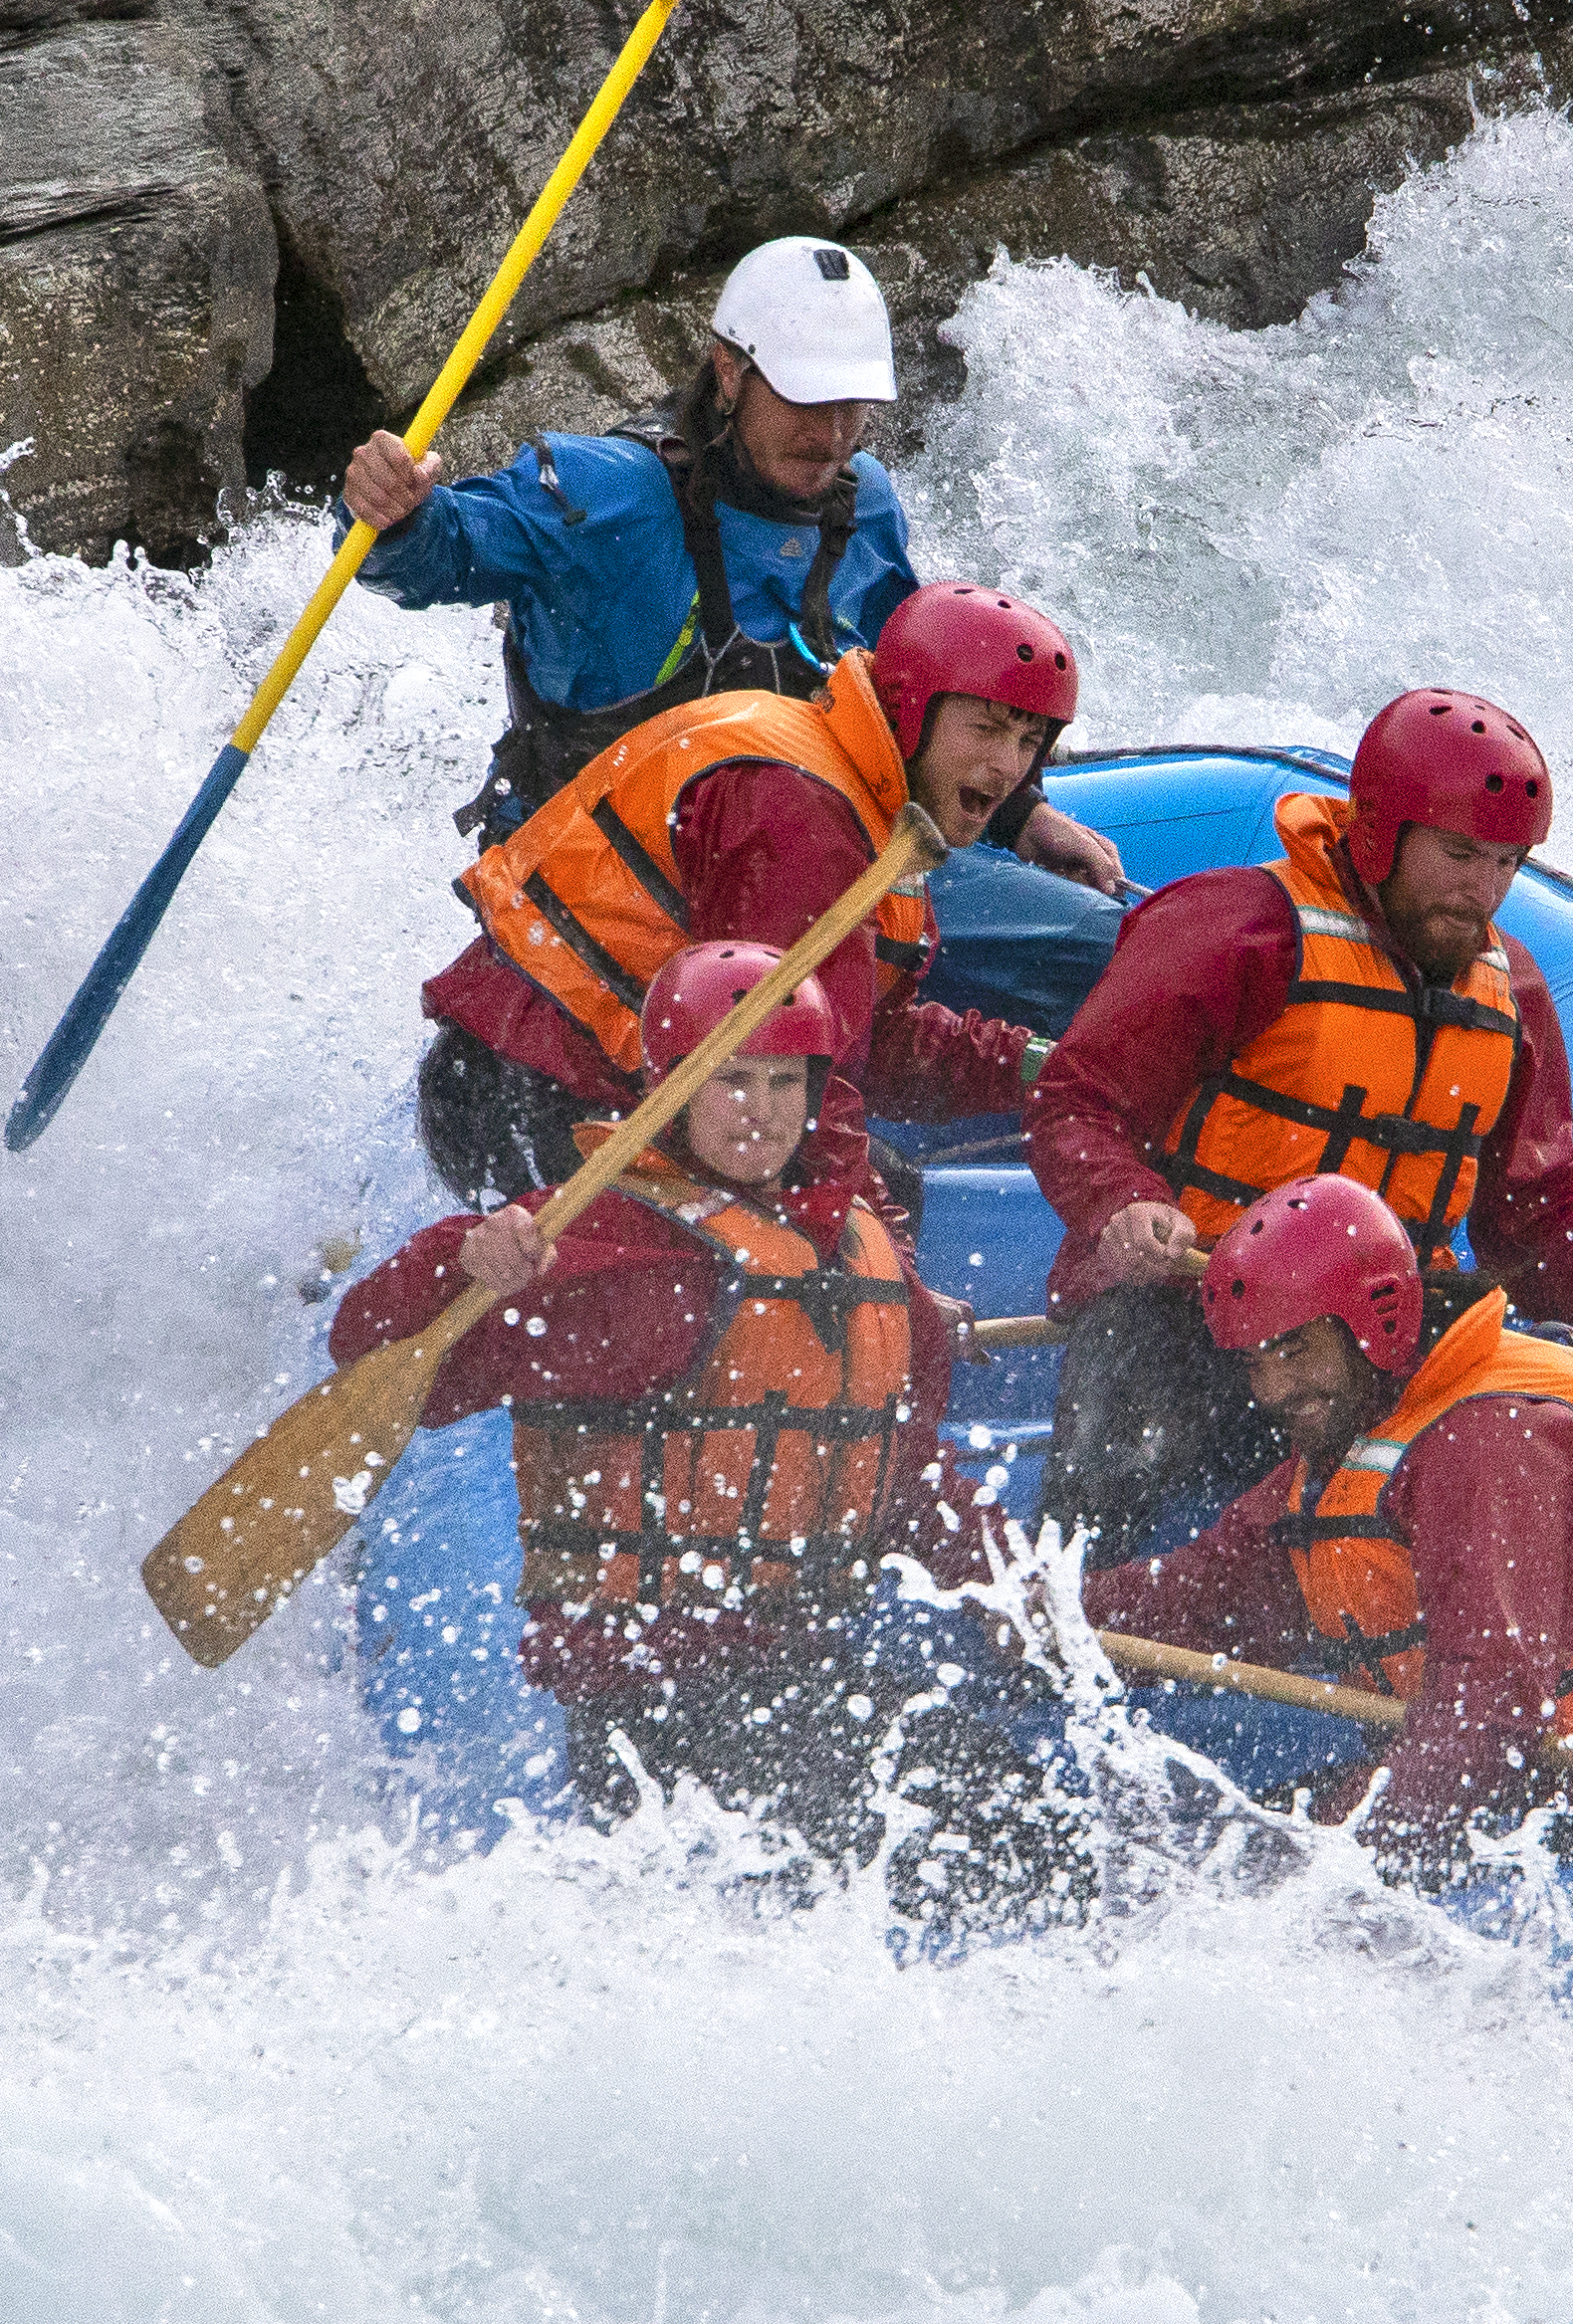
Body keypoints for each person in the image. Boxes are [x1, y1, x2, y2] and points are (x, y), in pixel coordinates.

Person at [329, 937, 1060, 1884]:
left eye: (786, 1085)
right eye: (732, 1083)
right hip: (646, 1701)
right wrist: (459, 1260)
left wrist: (1003, 1577)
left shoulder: (864, 1254)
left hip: (801, 1673)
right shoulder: (609, 1242)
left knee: (1026, 1823)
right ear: (671, 1086)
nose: (762, 1114)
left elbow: (903, 1470)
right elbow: (373, 1356)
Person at [1022, 684, 1573, 1534]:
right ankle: (1060, 1625)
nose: (1484, 891)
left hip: (1374, 1334)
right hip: (1191, 1308)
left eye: (1507, 863)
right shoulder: (1235, 930)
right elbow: (1076, 1101)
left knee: (1527, 1397)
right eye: (1461, 856)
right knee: (1108, 1464)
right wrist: (1122, 1200)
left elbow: (1539, 1216)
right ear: (1382, 834)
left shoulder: (1515, 997)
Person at [345, 233, 1128, 892]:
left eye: (851, 406)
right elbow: (441, 555)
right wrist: (396, 515)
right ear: (729, 370)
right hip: (606, 893)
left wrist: (1023, 815)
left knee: (1085, 941)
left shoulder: (868, 506)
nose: (830, 435)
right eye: (805, 400)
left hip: (794, 877)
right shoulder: (608, 494)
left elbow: (910, 711)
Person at [1079, 1173, 1573, 1873]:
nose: (1272, 1390)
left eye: (1294, 1351)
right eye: (1255, 1362)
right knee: (1174, 1857)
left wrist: (1326, 1878)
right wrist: (1038, 1600)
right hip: (1514, 1785)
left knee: (1241, 1874)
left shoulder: (1496, 1443)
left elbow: (1486, 1713)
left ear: (1372, 1323)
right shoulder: (1362, 1420)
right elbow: (1215, 1594)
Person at [422, 581, 1078, 1237]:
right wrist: (890, 1291)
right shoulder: (801, 818)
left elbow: (861, 1042)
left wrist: (1038, 1067)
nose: (1005, 768)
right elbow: (806, 1092)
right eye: (986, 730)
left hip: (549, 1076)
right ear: (911, 712)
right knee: (808, 1249)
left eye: (1027, 741)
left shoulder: (857, 788)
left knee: (875, 1188)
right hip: (534, 1095)